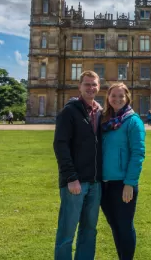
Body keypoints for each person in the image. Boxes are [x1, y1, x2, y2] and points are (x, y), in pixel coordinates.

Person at [53, 70, 103, 260]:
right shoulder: (69, 111)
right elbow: (60, 145)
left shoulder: (99, 112)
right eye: (87, 84)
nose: (91, 88)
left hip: (95, 182)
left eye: (94, 84)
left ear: (99, 87)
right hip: (75, 182)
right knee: (67, 232)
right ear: (80, 87)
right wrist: (71, 177)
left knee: (89, 231)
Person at [101, 82, 146, 260]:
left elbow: (138, 154)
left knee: (125, 226)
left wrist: (130, 183)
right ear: (108, 98)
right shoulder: (105, 120)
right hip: (104, 183)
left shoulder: (133, 121)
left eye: (121, 96)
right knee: (114, 226)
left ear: (127, 98)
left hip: (123, 184)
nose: (117, 99)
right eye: (113, 95)